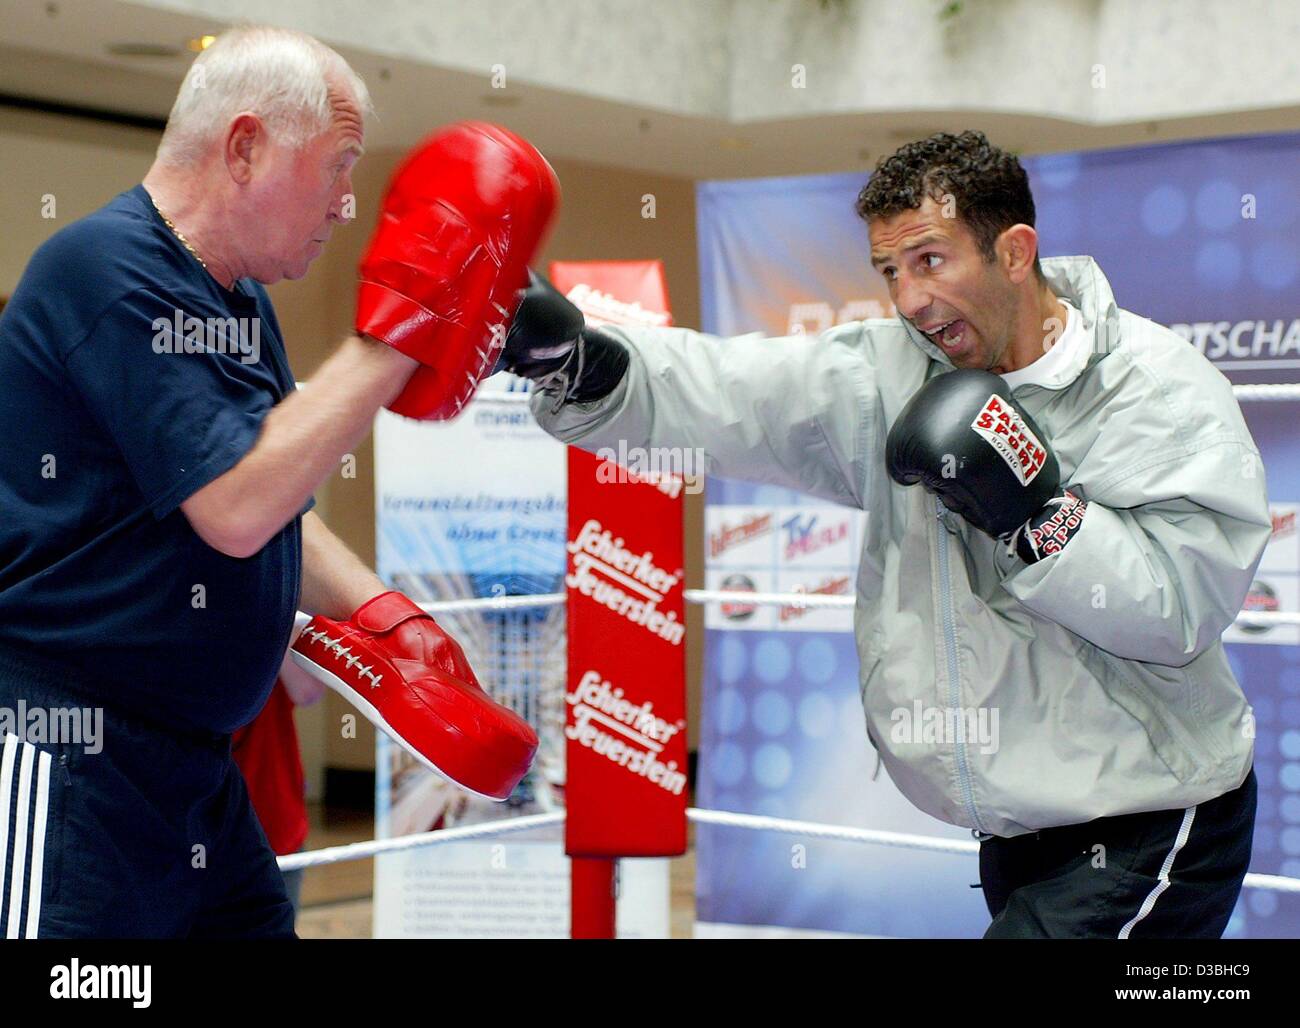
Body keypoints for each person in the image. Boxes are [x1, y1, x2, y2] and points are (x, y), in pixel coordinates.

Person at [500, 131, 1270, 939]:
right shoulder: (892, 370)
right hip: (1020, 827)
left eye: (930, 261)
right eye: (890, 271)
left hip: (1156, 818)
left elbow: (1182, 608)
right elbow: (736, 391)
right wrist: (581, 361)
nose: (908, 300)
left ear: (1014, 252)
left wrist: (1037, 515)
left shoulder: (1154, 389)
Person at [0, 25, 539, 938]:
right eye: (337, 166)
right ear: (245, 147)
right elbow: (239, 506)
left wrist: (387, 614)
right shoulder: (103, 271)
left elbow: (275, 492)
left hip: (199, 770)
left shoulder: (238, 302)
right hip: (73, 756)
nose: (348, 202)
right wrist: (397, 334)